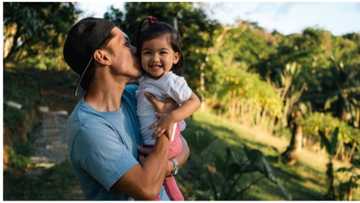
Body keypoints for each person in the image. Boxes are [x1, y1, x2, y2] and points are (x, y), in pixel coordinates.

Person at [63, 17, 190, 200]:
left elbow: (183, 146)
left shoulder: (135, 95)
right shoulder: (89, 128)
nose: (137, 51)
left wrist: (170, 166)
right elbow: (148, 189)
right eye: (126, 43)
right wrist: (165, 121)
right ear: (103, 56)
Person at [135, 16, 201, 200]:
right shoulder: (146, 79)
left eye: (162, 52)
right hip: (153, 142)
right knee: (165, 180)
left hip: (166, 142)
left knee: (150, 179)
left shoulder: (171, 80)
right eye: (147, 52)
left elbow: (195, 102)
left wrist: (170, 117)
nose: (155, 59)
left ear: (175, 56)